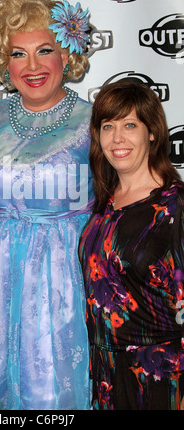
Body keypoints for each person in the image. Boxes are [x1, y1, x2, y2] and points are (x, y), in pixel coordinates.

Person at [0, 0, 93, 410]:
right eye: (18, 53)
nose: (32, 67)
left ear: (66, 56)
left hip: (57, 285)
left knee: (49, 399)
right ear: (4, 61)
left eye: (44, 50)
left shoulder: (94, 121)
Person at [78, 79, 184, 410]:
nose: (117, 138)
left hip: (159, 378)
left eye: (130, 125)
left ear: (152, 131)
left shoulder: (175, 207)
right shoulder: (103, 204)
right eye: (108, 126)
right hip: (106, 376)